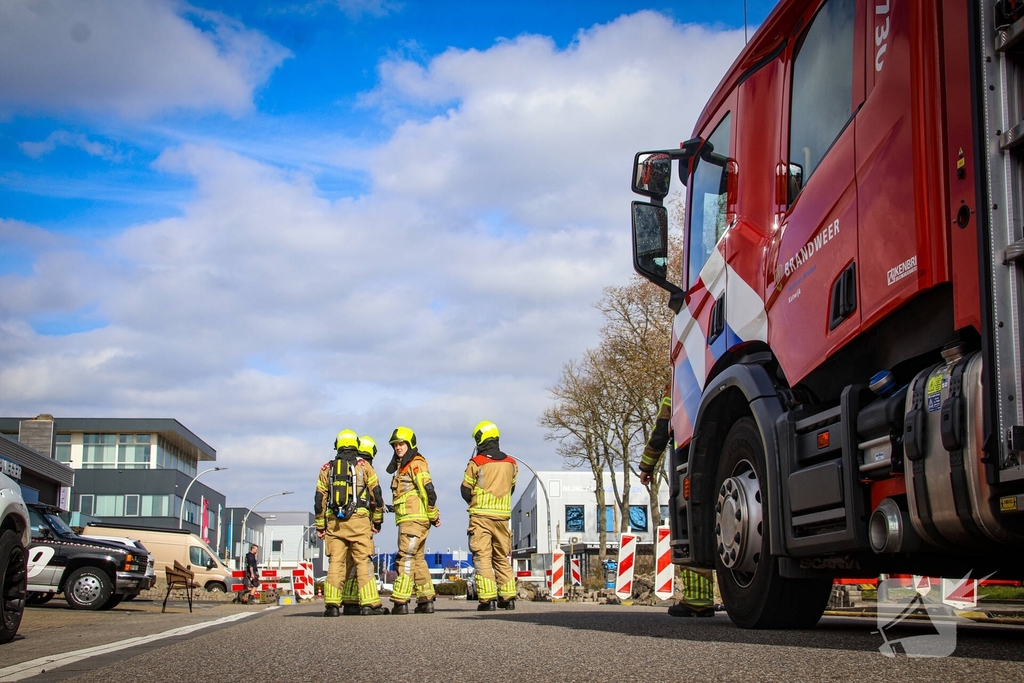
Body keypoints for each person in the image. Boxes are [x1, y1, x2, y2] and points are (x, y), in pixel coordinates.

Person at [639, 388, 716, 618]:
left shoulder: (680, 381)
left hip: (691, 457)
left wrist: (647, 465)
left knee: (693, 524)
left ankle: (698, 600)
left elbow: (663, 426)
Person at [314, 429, 388, 617]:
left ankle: (331, 605)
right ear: (356, 445)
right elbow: (377, 496)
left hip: (334, 524)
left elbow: (318, 500)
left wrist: (320, 526)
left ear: (337, 445)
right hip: (359, 522)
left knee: (336, 563)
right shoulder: (364, 467)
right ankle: (370, 604)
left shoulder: (326, 468)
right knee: (363, 561)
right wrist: (377, 521)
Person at [461, 420, 518, 611]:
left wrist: (475, 501)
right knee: (501, 556)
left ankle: (488, 599)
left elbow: (465, 489)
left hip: (481, 517)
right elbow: (512, 488)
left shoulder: (477, 462)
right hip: (503, 518)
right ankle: (508, 598)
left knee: (482, 556)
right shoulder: (511, 463)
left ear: (480, 439)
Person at [386, 426, 440, 614]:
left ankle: (401, 602)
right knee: (418, 559)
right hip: (411, 519)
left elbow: (428, 490)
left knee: (405, 558)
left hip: (413, 520)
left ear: (410, 444)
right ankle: (426, 600)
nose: (398, 448)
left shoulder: (415, 463)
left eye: (401, 444)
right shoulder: (403, 466)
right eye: (395, 445)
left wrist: (433, 513)